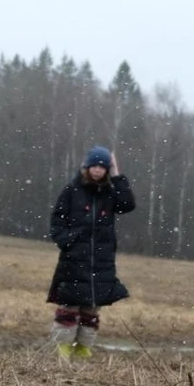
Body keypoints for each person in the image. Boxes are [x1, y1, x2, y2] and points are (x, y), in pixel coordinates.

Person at [47, 146, 135, 357]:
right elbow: (57, 222)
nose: (98, 170)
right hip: (74, 258)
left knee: (92, 307)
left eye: (103, 167)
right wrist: (68, 241)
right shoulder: (72, 191)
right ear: (87, 167)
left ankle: (84, 347)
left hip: (102, 260)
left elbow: (128, 204)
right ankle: (63, 346)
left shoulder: (110, 193)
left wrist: (117, 174)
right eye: (94, 165)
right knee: (69, 305)